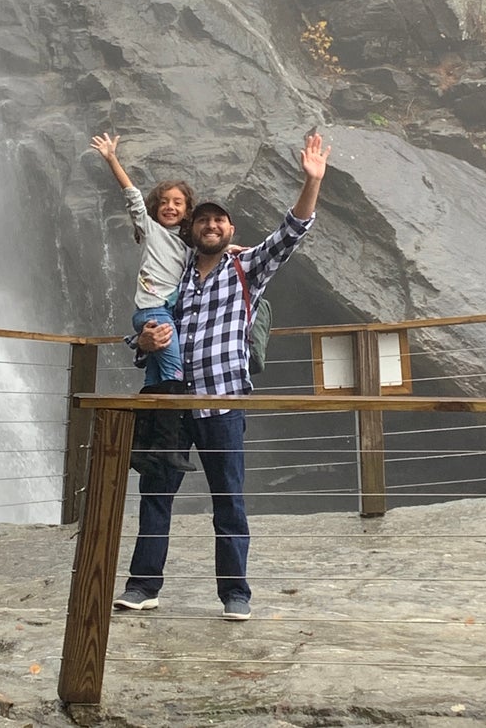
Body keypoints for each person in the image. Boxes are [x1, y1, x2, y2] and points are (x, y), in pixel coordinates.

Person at [113, 131, 332, 621]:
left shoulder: (247, 270)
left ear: (230, 230)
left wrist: (311, 181)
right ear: (192, 228)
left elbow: (291, 232)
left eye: (220, 219)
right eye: (204, 219)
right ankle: (143, 585)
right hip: (172, 400)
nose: (211, 225)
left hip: (223, 402)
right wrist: (141, 344)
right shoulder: (177, 278)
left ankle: (236, 594)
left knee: (228, 501)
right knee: (155, 495)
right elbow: (151, 332)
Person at [90, 131, 197, 474]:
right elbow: (132, 196)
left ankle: (138, 448)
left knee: (154, 382)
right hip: (153, 312)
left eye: (177, 202)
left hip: (160, 312)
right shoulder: (151, 231)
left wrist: (234, 249)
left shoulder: (186, 248)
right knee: (175, 374)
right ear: (155, 208)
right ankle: (167, 448)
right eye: (164, 201)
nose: (170, 206)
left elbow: (215, 250)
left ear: (186, 211)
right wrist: (111, 159)